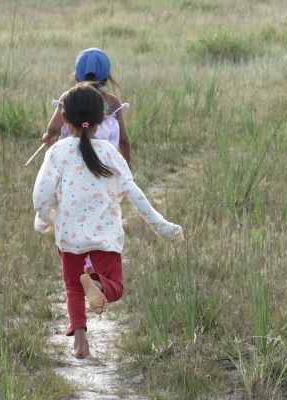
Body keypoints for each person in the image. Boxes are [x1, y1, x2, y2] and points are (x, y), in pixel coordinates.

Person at [33, 82, 183, 359]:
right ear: (102, 120)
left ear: (64, 119)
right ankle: (99, 285)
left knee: (72, 288)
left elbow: (41, 193)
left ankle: (80, 341)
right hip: (105, 237)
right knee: (115, 287)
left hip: (69, 237)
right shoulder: (110, 152)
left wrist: (43, 219)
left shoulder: (58, 152)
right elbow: (134, 193)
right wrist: (162, 225)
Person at [42, 48, 131, 166]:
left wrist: (48, 135)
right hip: (105, 164)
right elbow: (123, 140)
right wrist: (127, 164)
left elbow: (53, 128)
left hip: (70, 163)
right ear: (107, 76)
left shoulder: (68, 99)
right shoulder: (112, 102)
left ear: (76, 75)